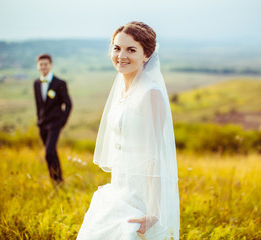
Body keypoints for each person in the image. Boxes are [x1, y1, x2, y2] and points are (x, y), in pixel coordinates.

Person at [77, 22, 179, 240]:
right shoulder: (122, 91)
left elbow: (154, 157)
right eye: (116, 48)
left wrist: (154, 212)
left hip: (142, 193)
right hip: (119, 186)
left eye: (131, 50)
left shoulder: (150, 94)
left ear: (146, 55)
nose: (121, 55)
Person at [33, 53, 72, 183]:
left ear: (51, 65)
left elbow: (68, 104)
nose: (43, 67)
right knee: (51, 153)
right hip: (42, 124)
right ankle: (57, 179)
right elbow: (38, 105)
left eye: (46, 64)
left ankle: (57, 179)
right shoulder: (36, 83)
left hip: (55, 124)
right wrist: (39, 120)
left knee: (49, 152)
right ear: (38, 66)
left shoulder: (59, 83)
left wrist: (62, 122)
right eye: (41, 64)